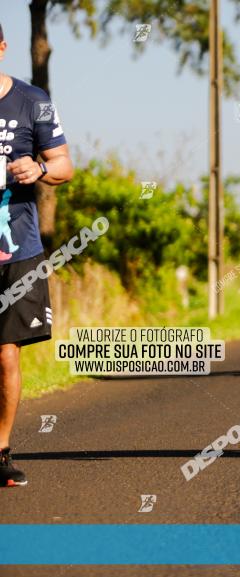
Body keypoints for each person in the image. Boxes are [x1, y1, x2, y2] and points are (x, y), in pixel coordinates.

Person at [0, 21, 75, 486]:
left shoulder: (33, 101)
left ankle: (1, 450)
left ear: (2, 46)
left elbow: (66, 163)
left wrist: (40, 167)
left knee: (6, 354)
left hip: (16, 248)